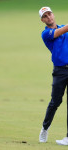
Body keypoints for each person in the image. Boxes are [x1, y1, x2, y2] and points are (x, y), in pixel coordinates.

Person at [39, 6, 68, 145]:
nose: (48, 17)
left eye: (49, 14)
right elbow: (61, 31)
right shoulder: (46, 33)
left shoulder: (63, 27)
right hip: (60, 71)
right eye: (45, 16)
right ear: (42, 20)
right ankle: (45, 128)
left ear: (53, 15)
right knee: (55, 102)